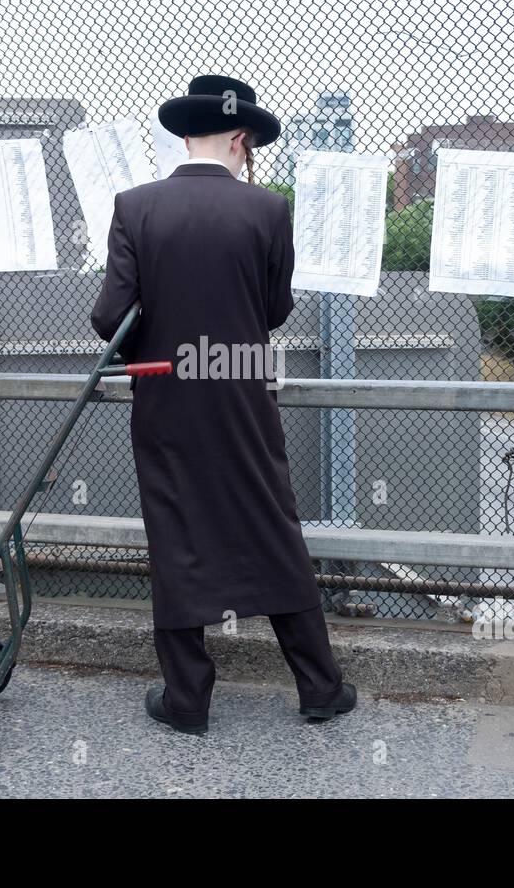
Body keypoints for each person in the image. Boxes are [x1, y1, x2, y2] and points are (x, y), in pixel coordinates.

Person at [90, 75, 357, 735]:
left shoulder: (135, 206)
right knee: (270, 524)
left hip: (167, 399)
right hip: (242, 394)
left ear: (187, 134)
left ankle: (188, 698)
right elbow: (273, 310)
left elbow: (109, 317)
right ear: (240, 138)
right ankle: (319, 686)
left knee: (176, 531)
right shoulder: (267, 210)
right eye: (251, 146)